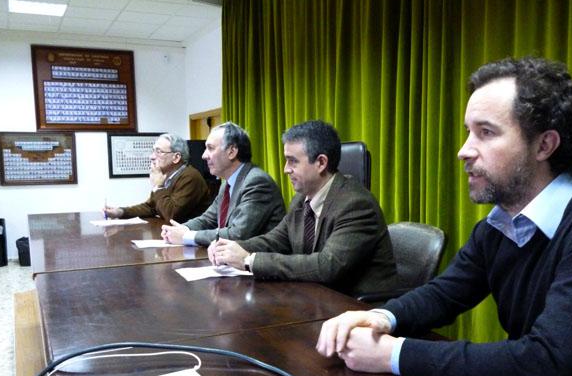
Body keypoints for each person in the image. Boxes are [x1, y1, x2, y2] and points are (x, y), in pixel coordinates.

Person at [316, 56, 572, 376]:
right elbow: (444, 294)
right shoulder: (500, 226)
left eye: (485, 132)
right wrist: (380, 317)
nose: (464, 150)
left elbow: (547, 364)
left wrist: (393, 354)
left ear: (544, 145)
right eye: (468, 132)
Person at [208, 120, 399, 297]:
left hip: (356, 306)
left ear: (321, 163)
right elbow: (276, 240)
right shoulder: (302, 198)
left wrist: (250, 261)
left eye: (293, 161)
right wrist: (231, 248)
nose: (286, 169)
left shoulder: (356, 205)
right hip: (315, 297)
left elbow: (327, 266)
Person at [160, 122, 285, 246]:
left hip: (257, 257)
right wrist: (181, 229)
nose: (204, 155)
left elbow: (237, 234)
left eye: (210, 148)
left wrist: (187, 236)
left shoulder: (257, 182)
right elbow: (208, 219)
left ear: (232, 151)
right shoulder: (227, 183)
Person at [104, 133, 211, 222]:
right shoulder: (167, 175)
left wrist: (158, 187)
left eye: (159, 152)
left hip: (190, 237)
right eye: (153, 151)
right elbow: (150, 207)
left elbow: (172, 215)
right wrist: (120, 212)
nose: (152, 156)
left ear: (176, 157)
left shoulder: (190, 176)